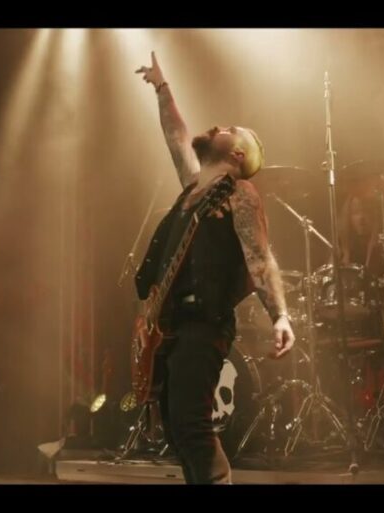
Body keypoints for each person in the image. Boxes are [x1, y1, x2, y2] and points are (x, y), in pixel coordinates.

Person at [134, 52, 295, 484]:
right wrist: (162, 88)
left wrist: (279, 314)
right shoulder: (194, 187)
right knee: (177, 430)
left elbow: (260, 256)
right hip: (171, 325)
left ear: (238, 153)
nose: (220, 127)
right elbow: (176, 137)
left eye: (229, 130)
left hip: (203, 324)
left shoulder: (238, 193)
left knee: (193, 426)